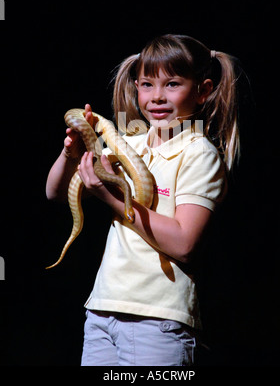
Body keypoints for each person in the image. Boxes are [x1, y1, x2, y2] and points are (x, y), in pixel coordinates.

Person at [46, 34, 240, 366]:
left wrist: (109, 198)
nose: (157, 97)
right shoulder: (132, 143)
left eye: (173, 84)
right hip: (103, 309)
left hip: (157, 317)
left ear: (203, 90)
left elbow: (184, 244)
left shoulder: (198, 154)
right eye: (147, 85)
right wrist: (70, 153)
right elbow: (54, 192)